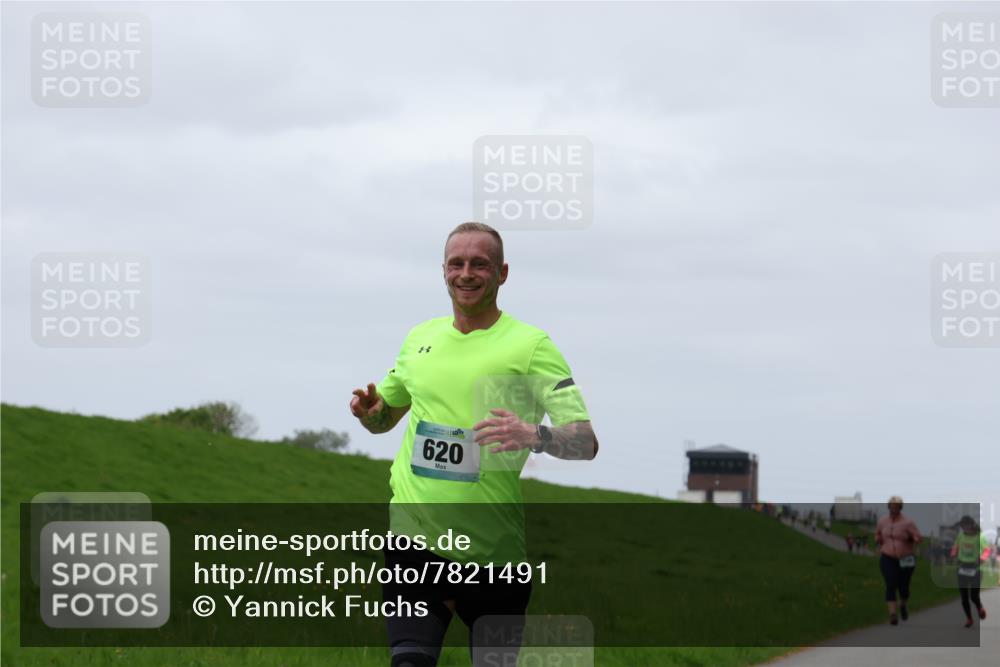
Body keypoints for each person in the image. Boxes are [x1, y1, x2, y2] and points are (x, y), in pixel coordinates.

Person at [349, 222, 599, 667]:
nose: (466, 273)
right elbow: (385, 418)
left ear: (502, 273)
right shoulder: (419, 339)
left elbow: (585, 442)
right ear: (443, 271)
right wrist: (372, 414)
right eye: (456, 263)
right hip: (414, 541)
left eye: (479, 264)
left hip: (493, 555)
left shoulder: (531, 346)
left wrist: (534, 434)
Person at [874, 495, 922, 625]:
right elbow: (877, 533)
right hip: (887, 557)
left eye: (896, 507)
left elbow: (918, 537)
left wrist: (913, 539)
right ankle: (893, 615)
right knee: (890, 584)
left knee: (904, 587)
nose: (893, 509)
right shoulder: (883, 521)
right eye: (891, 506)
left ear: (900, 508)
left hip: (906, 558)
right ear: (888, 507)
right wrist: (878, 539)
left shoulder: (908, 523)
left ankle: (903, 605)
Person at [950, 515, 989, 628]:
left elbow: (987, 550)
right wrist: (953, 553)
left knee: (973, 595)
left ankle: (980, 608)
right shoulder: (960, 536)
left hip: (976, 569)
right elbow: (955, 547)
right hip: (962, 567)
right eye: (963, 525)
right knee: (964, 596)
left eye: (967, 524)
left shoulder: (980, 536)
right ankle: (969, 619)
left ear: (972, 524)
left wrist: (982, 559)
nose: (965, 527)